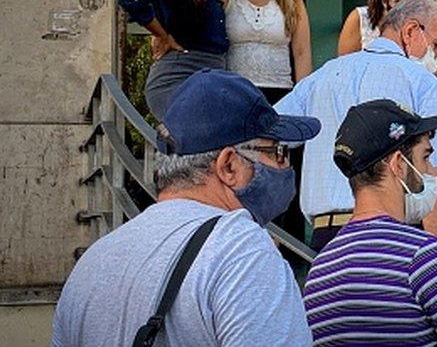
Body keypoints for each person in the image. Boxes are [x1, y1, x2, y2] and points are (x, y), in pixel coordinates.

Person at [51, 69, 321, 346]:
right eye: (277, 153)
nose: (285, 166)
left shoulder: (94, 260)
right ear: (229, 166)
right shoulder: (241, 250)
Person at [303, 99, 437, 346]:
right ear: (398, 164)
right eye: (425, 157)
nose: (430, 170)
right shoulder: (426, 258)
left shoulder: (320, 272)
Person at [276, 0, 437, 250]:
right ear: (410, 30)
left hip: (327, 237)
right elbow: (435, 173)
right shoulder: (424, 84)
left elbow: (269, 132)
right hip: (394, 235)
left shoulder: (323, 77)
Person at [221, 0, 312, 104]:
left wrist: (303, 95)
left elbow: (301, 52)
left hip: (280, 91)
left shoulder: (291, 0)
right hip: (234, 90)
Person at [337, 0, 425, 55]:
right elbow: (345, 62)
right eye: (400, 2)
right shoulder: (361, 18)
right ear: (384, 0)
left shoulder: (418, 24)